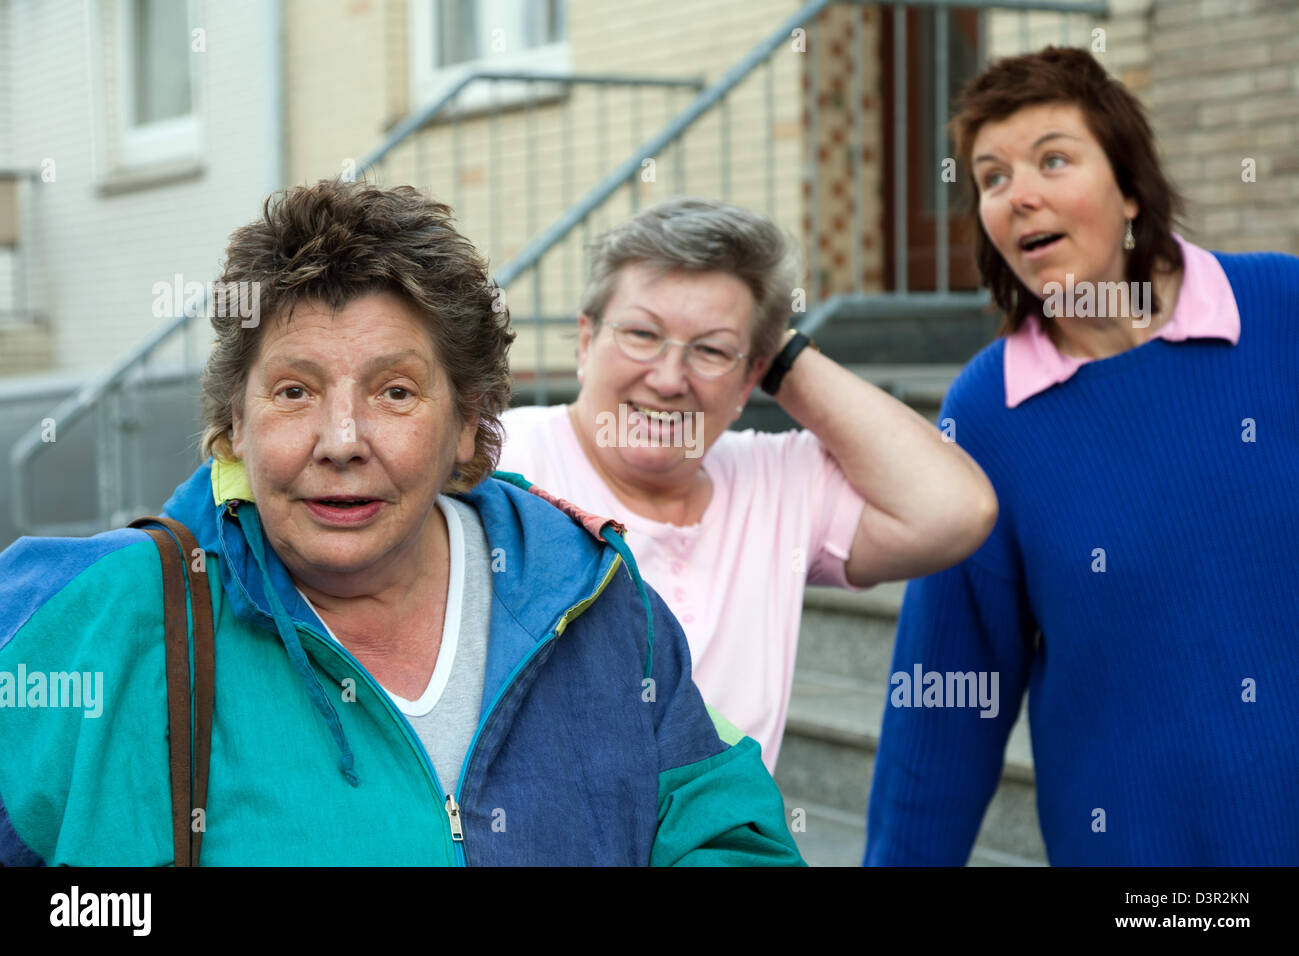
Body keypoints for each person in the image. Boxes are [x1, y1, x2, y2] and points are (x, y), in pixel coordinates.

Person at [0, 179, 803, 866]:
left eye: (395, 392)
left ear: (467, 424)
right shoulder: (116, 612)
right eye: (293, 391)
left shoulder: (590, 592)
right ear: (234, 425)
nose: (341, 441)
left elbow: (730, 833)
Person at [865, 46, 1299, 866]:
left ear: (1130, 187)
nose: (1017, 193)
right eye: (991, 178)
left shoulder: (1282, 311)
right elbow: (948, 700)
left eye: (1052, 159)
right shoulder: (990, 413)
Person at [498, 198, 999, 772]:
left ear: (750, 380)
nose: (667, 379)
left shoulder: (777, 479)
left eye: (711, 350)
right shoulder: (503, 462)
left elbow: (959, 510)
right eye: (641, 333)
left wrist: (780, 355)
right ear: (586, 341)